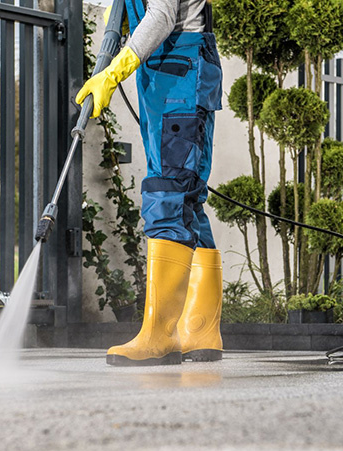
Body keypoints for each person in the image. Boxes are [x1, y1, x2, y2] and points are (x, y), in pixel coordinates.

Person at [76, 0, 223, 366]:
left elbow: (160, 14)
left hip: (178, 76)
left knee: (167, 194)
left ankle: (160, 334)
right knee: (188, 200)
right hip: (174, 74)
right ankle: (201, 330)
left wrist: (113, 72)